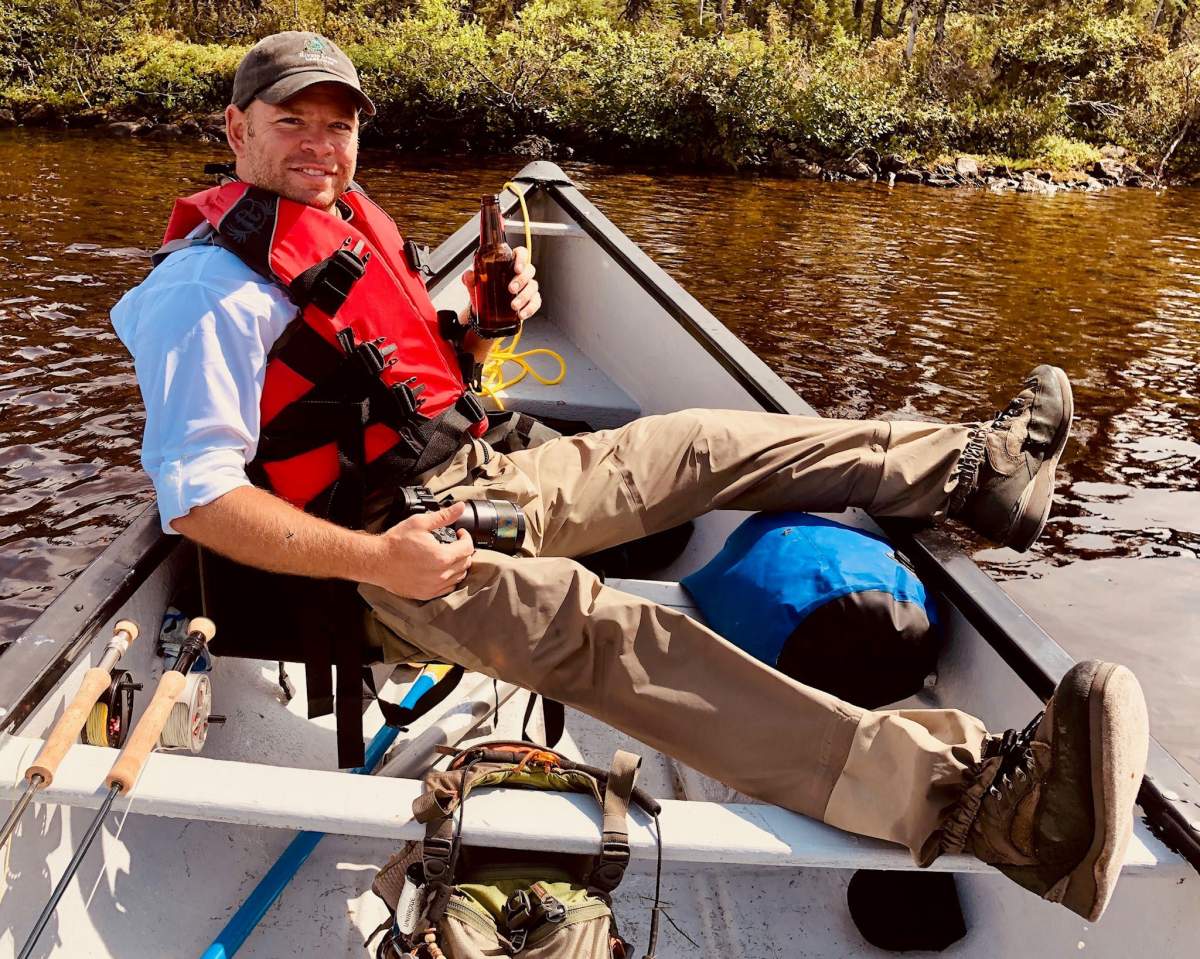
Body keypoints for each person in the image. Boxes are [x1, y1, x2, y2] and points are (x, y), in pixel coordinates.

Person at [111, 32, 1149, 924]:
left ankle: (976, 468)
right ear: (236, 129)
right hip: (370, 555)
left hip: (469, 475)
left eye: (339, 124)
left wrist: (483, 324)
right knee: (601, 627)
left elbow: (387, 390)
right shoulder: (207, 290)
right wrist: (381, 556)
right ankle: (975, 801)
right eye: (293, 120)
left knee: (694, 441)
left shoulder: (339, 224)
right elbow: (198, 499)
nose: (321, 144)